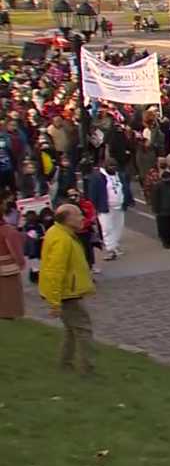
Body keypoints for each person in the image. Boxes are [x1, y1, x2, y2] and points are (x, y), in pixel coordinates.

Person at [39, 204, 96, 375]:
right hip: (68, 294)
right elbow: (55, 271)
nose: (82, 218)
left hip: (68, 292)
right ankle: (87, 368)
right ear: (67, 219)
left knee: (71, 330)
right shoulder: (62, 239)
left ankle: (65, 365)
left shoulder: (59, 233)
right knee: (83, 330)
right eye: (78, 215)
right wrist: (55, 302)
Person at [87, 159, 134, 260]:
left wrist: (129, 200)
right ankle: (110, 249)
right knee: (107, 228)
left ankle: (115, 245)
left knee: (118, 227)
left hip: (119, 206)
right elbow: (93, 193)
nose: (113, 168)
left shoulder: (120, 175)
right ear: (105, 167)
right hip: (105, 207)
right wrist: (93, 206)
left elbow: (125, 188)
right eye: (111, 167)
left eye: (114, 166)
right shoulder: (98, 177)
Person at [0, 201, 26, 320]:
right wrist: (21, 262)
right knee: (10, 293)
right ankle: (9, 314)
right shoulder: (8, 230)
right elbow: (15, 250)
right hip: (7, 267)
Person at [150, 165, 170, 248]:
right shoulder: (158, 186)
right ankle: (166, 242)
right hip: (163, 211)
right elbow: (155, 198)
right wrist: (156, 209)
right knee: (165, 228)